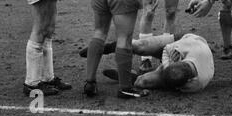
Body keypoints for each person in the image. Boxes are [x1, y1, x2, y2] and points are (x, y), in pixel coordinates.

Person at [80, 33, 214, 93]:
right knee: (141, 46)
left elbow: (179, 88)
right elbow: (167, 49)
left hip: (178, 66)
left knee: (141, 83)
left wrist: (165, 74)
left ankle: (131, 77)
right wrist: (168, 65)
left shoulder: (197, 84)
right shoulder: (190, 46)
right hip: (182, 41)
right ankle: (108, 47)